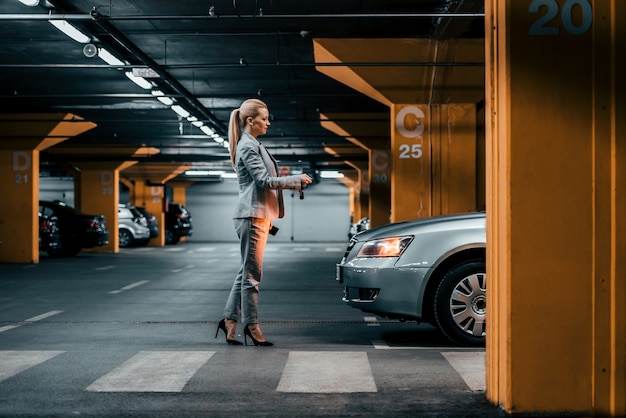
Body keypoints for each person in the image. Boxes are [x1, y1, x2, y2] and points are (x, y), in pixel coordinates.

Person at [215, 98, 313, 346]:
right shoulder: (248, 146)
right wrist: (295, 181)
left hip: (257, 215)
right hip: (252, 215)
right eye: (264, 118)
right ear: (250, 120)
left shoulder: (253, 144)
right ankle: (252, 325)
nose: (268, 122)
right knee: (252, 276)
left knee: (245, 273)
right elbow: (263, 181)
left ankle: (229, 321)